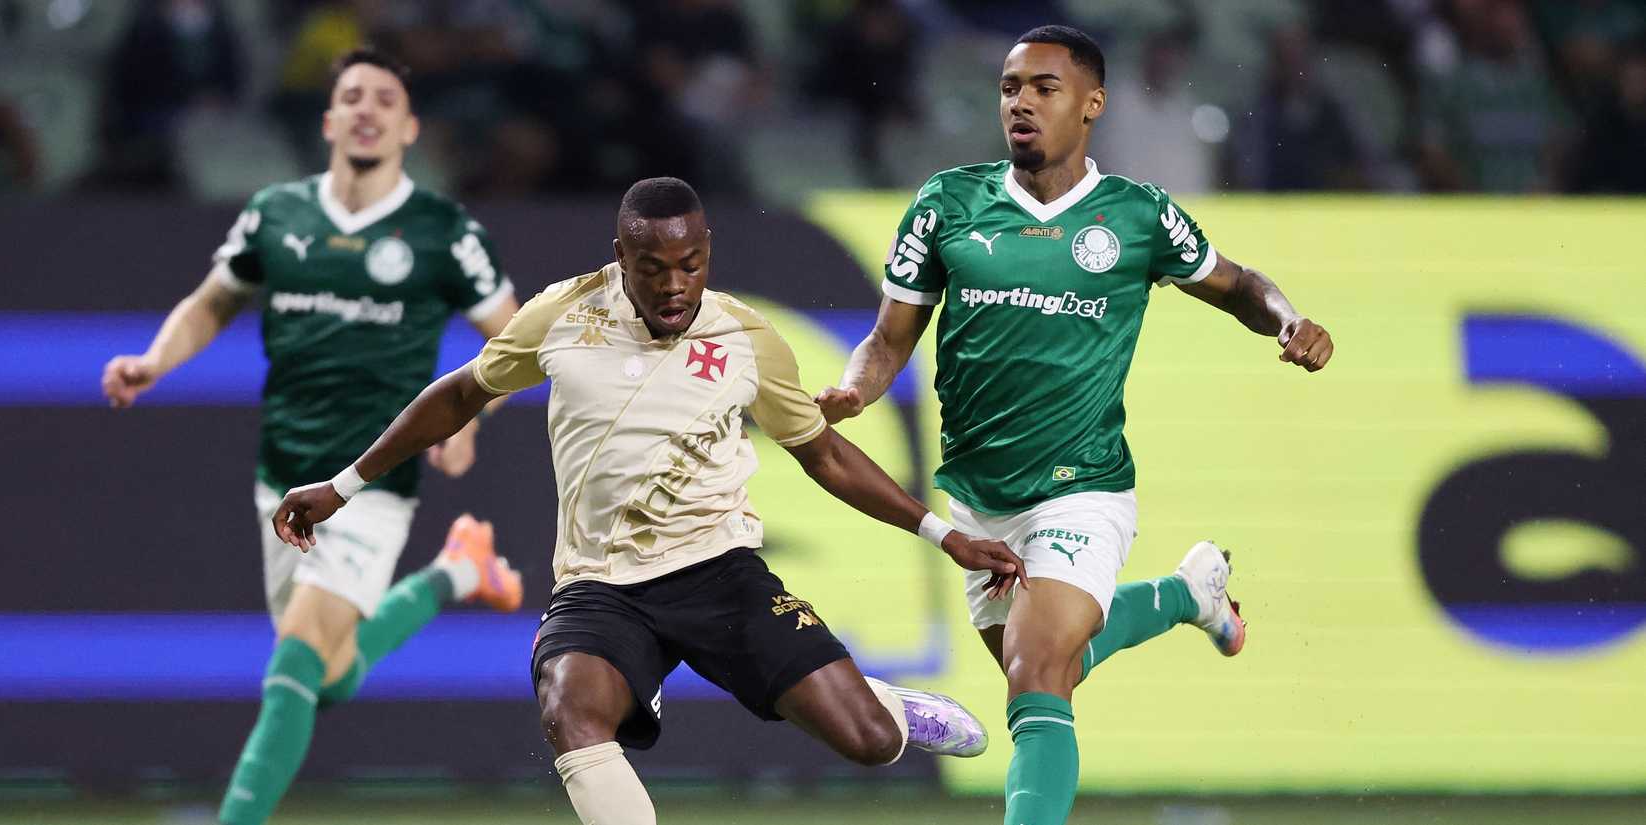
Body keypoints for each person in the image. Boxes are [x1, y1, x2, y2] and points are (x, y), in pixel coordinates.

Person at [271, 176, 1030, 825]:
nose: (674, 286)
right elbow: (461, 393)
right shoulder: (562, 316)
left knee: (868, 741)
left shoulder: (746, 337)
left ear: (708, 255)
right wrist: (342, 485)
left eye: (690, 265)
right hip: (600, 586)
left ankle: (889, 706)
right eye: (653, 268)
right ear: (620, 258)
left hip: (719, 572)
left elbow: (824, 454)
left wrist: (942, 534)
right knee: (568, 707)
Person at [815, 25, 1334, 825]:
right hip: (978, 500)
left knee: (1034, 674)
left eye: (1043, 88)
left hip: (1081, 488)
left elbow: (1237, 283)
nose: (1020, 103)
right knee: (1054, 667)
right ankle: (1185, 594)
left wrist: (1289, 320)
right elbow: (888, 341)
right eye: (1009, 88)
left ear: (1091, 104)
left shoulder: (1136, 215)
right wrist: (855, 390)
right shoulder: (947, 204)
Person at [99, 47, 524, 825]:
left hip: (372, 482)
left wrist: (472, 415)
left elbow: (514, 338)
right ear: (328, 121)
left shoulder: (443, 230)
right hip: (282, 474)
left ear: (409, 128)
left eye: (385, 100)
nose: (367, 110)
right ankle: (458, 571)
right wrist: (154, 360)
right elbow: (213, 300)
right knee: (325, 672)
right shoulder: (276, 213)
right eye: (352, 96)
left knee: (294, 657)